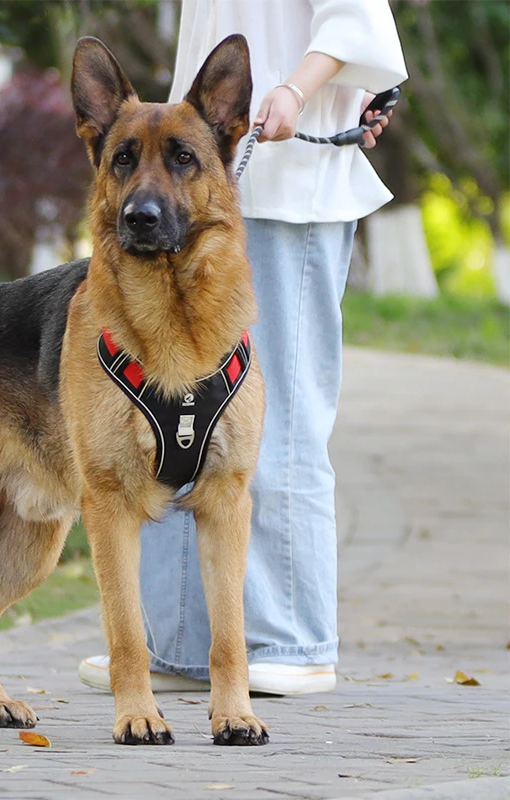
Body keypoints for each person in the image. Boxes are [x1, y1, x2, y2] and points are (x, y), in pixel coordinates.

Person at [79, 0, 408, 696]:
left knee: (277, 420)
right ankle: (178, 644)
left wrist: (298, 89)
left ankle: (292, 639)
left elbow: (355, 18)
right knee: (171, 425)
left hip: (293, 187)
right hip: (205, 183)